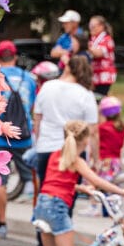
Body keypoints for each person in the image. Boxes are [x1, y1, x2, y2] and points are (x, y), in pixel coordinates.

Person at [32, 120, 124, 246]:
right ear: (86, 140)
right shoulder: (76, 161)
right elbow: (97, 181)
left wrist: (82, 188)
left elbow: (57, 182)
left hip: (42, 204)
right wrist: (122, 192)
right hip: (57, 206)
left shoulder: (55, 155)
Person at [0, 40, 37, 238]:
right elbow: (32, 107)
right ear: (16, 57)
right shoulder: (29, 79)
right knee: (35, 180)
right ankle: (37, 223)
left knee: (0, 182)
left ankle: (2, 223)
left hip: (0, 136)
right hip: (24, 136)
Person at [33, 54, 99, 184]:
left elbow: (37, 121)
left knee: (46, 190)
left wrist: (38, 142)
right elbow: (93, 132)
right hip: (73, 150)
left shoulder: (47, 87)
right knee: (69, 193)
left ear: (67, 68)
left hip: (46, 147)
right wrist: (95, 159)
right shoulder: (86, 95)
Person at [97, 96, 124, 182]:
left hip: (105, 162)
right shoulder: (122, 128)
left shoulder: (102, 128)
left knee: (102, 185)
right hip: (116, 162)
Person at [87, 15, 117, 95]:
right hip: (94, 75)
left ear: (101, 26)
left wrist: (84, 46)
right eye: (90, 25)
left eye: (93, 26)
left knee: (100, 98)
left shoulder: (107, 39)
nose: (90, 28)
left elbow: (98, 53)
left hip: (103, 76)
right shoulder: (93, 39)